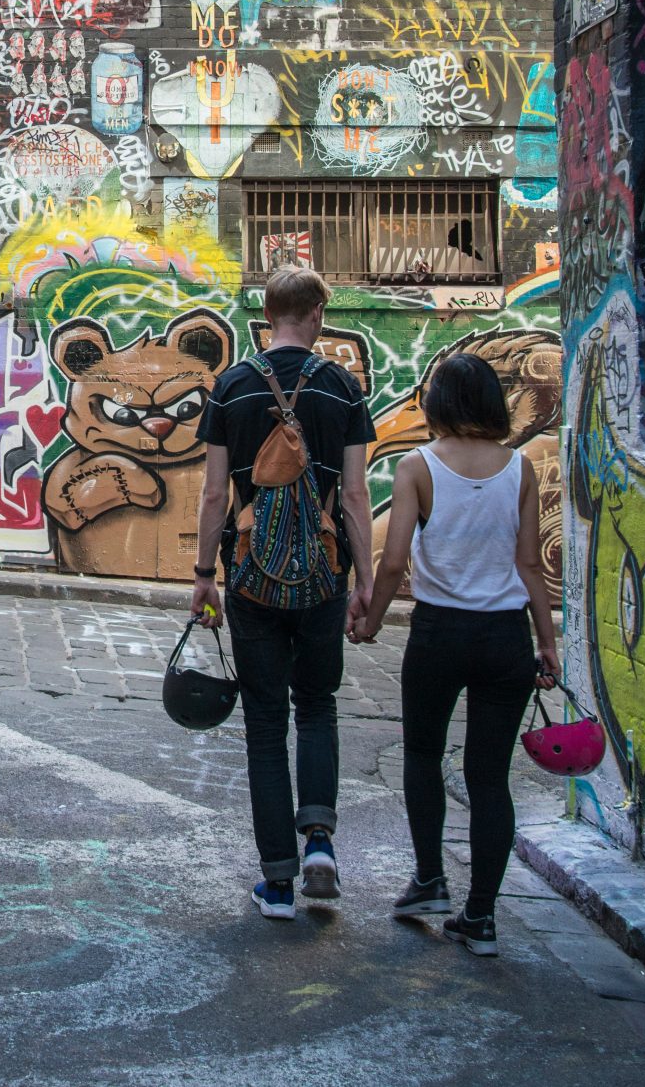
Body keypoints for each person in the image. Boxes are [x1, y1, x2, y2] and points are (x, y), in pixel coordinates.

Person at [354, 351, 559, 957]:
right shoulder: (518, 469)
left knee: (422, 753)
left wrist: (367, 618)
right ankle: (482, 917)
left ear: (439, 403)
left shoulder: (419, 467)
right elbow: (528, 564)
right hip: (505, 638)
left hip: (439, 633)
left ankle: (429, 880)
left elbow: (393, 561)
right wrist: (546, 641)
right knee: (490, 777)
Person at [190, 268, 376, 920]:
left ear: (266, 314)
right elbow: (354, 496)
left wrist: (204, 574)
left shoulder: (232, 387)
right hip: (325, 579)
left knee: (266, 725)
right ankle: (320, 841)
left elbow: (215, 493)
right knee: (317, 704)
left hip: (251, 581)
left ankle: (277, 881)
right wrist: (368, 583)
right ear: (319, 312)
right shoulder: (343, 388)